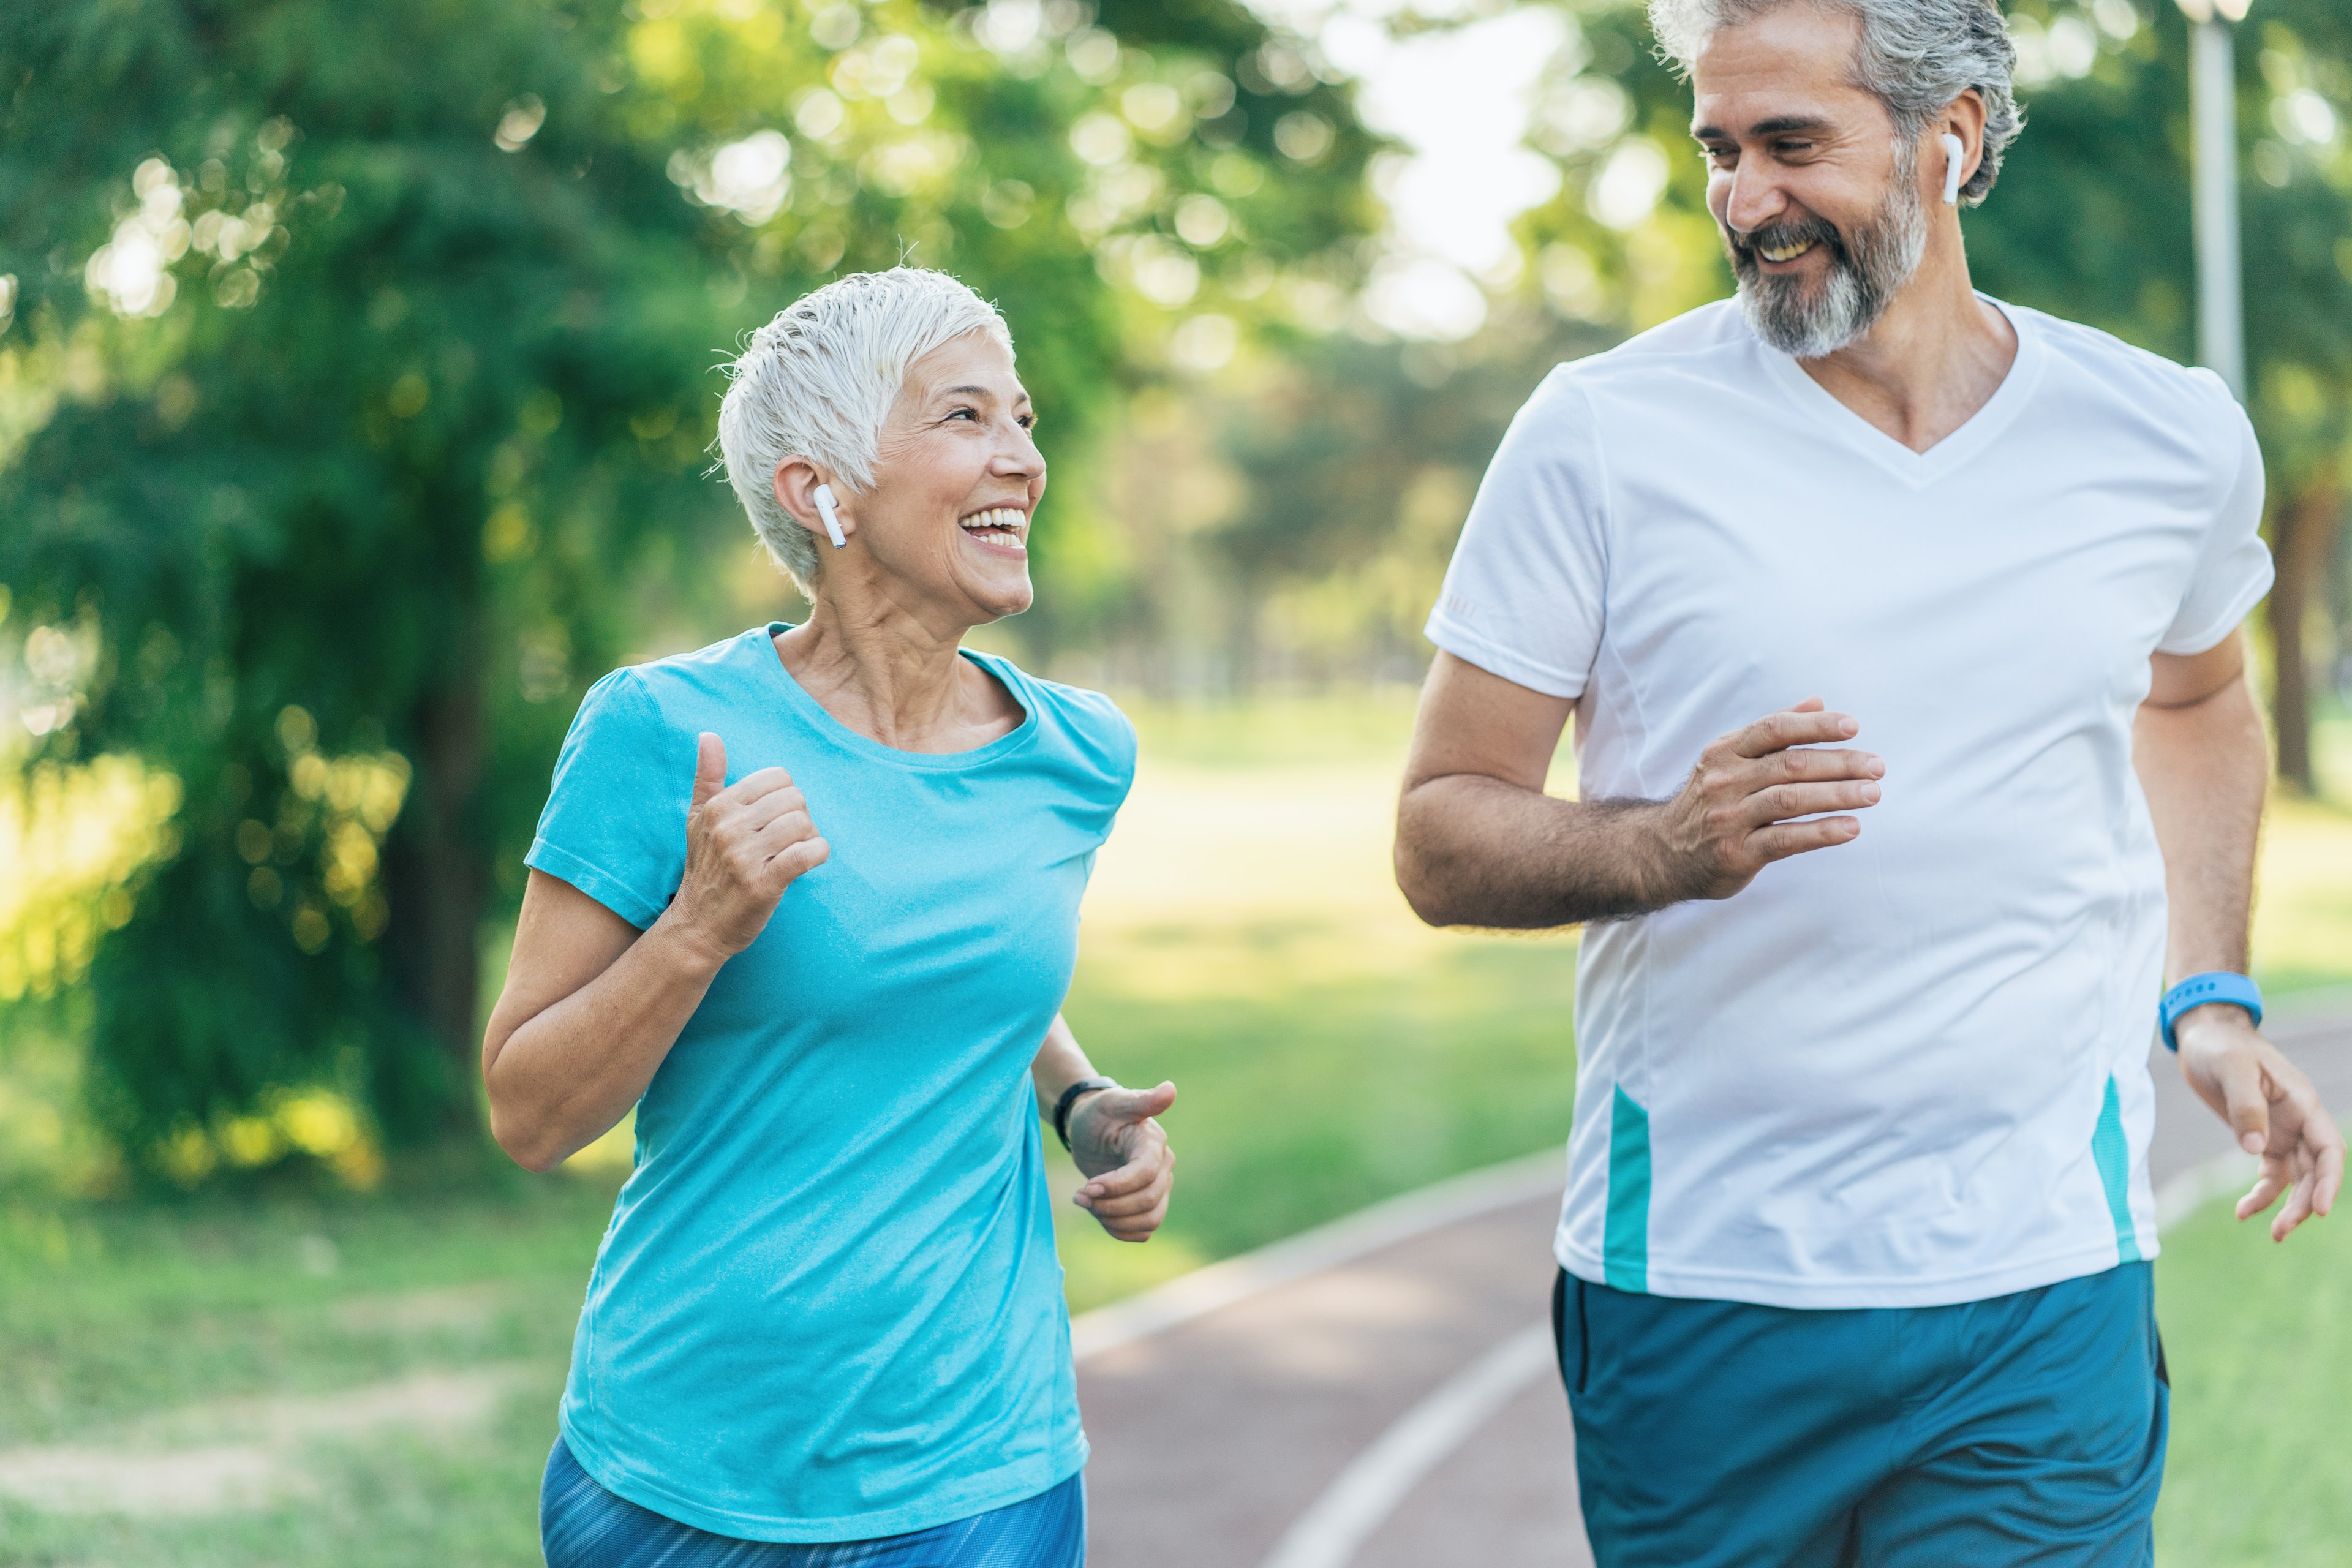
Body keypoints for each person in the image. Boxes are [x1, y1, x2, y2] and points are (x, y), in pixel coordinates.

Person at [1393, 1, 2344, 1563]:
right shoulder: (1601, 437)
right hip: (1704, 1294)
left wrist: (2214, 995)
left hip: (2042, 1289)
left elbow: (2200, 698)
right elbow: (1439, 830)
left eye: (1792, 145)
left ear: (1952, 137)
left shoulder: (2164, 434)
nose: (1745, 199)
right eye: (1718, 147)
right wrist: (1663, 847)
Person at [482, 267, 1176, 1567]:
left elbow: (937, 940)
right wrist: (698, 927)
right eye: (967, 417)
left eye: (1022, 419)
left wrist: (1079, 1098)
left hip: (984, 1469)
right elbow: (529, 1112)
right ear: (822, 491)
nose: (1023, 459)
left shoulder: (1079, 752)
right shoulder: (660, 731)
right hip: (684, 1476)